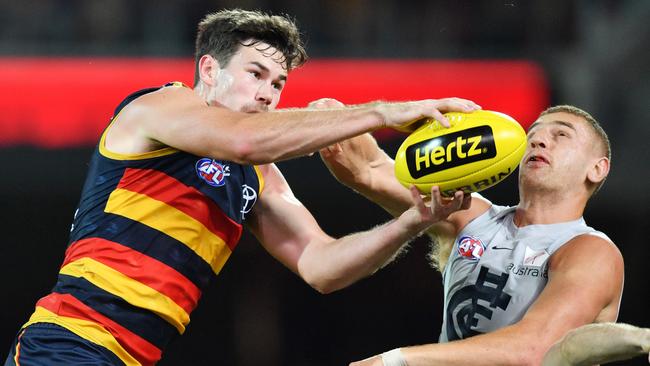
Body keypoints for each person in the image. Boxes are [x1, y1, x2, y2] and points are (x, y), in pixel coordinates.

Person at [3, 8, 482, 366]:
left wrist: (414, 220)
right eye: (255, 74)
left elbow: (323, 266)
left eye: (278, 83)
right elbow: (246, 140)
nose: (267, 94)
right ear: (209, 70)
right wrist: (383, 112)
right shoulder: (158, 108)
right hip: (68, 342)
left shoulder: (257, 177)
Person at [318, 105, 626, 365]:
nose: (539, 141)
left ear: (598, 169)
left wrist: (395, 360)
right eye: (532, 135)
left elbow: (536, 350)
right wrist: (344, 115)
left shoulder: (591, 252)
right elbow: (366, 169)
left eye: (560, 135)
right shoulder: (469, 214)